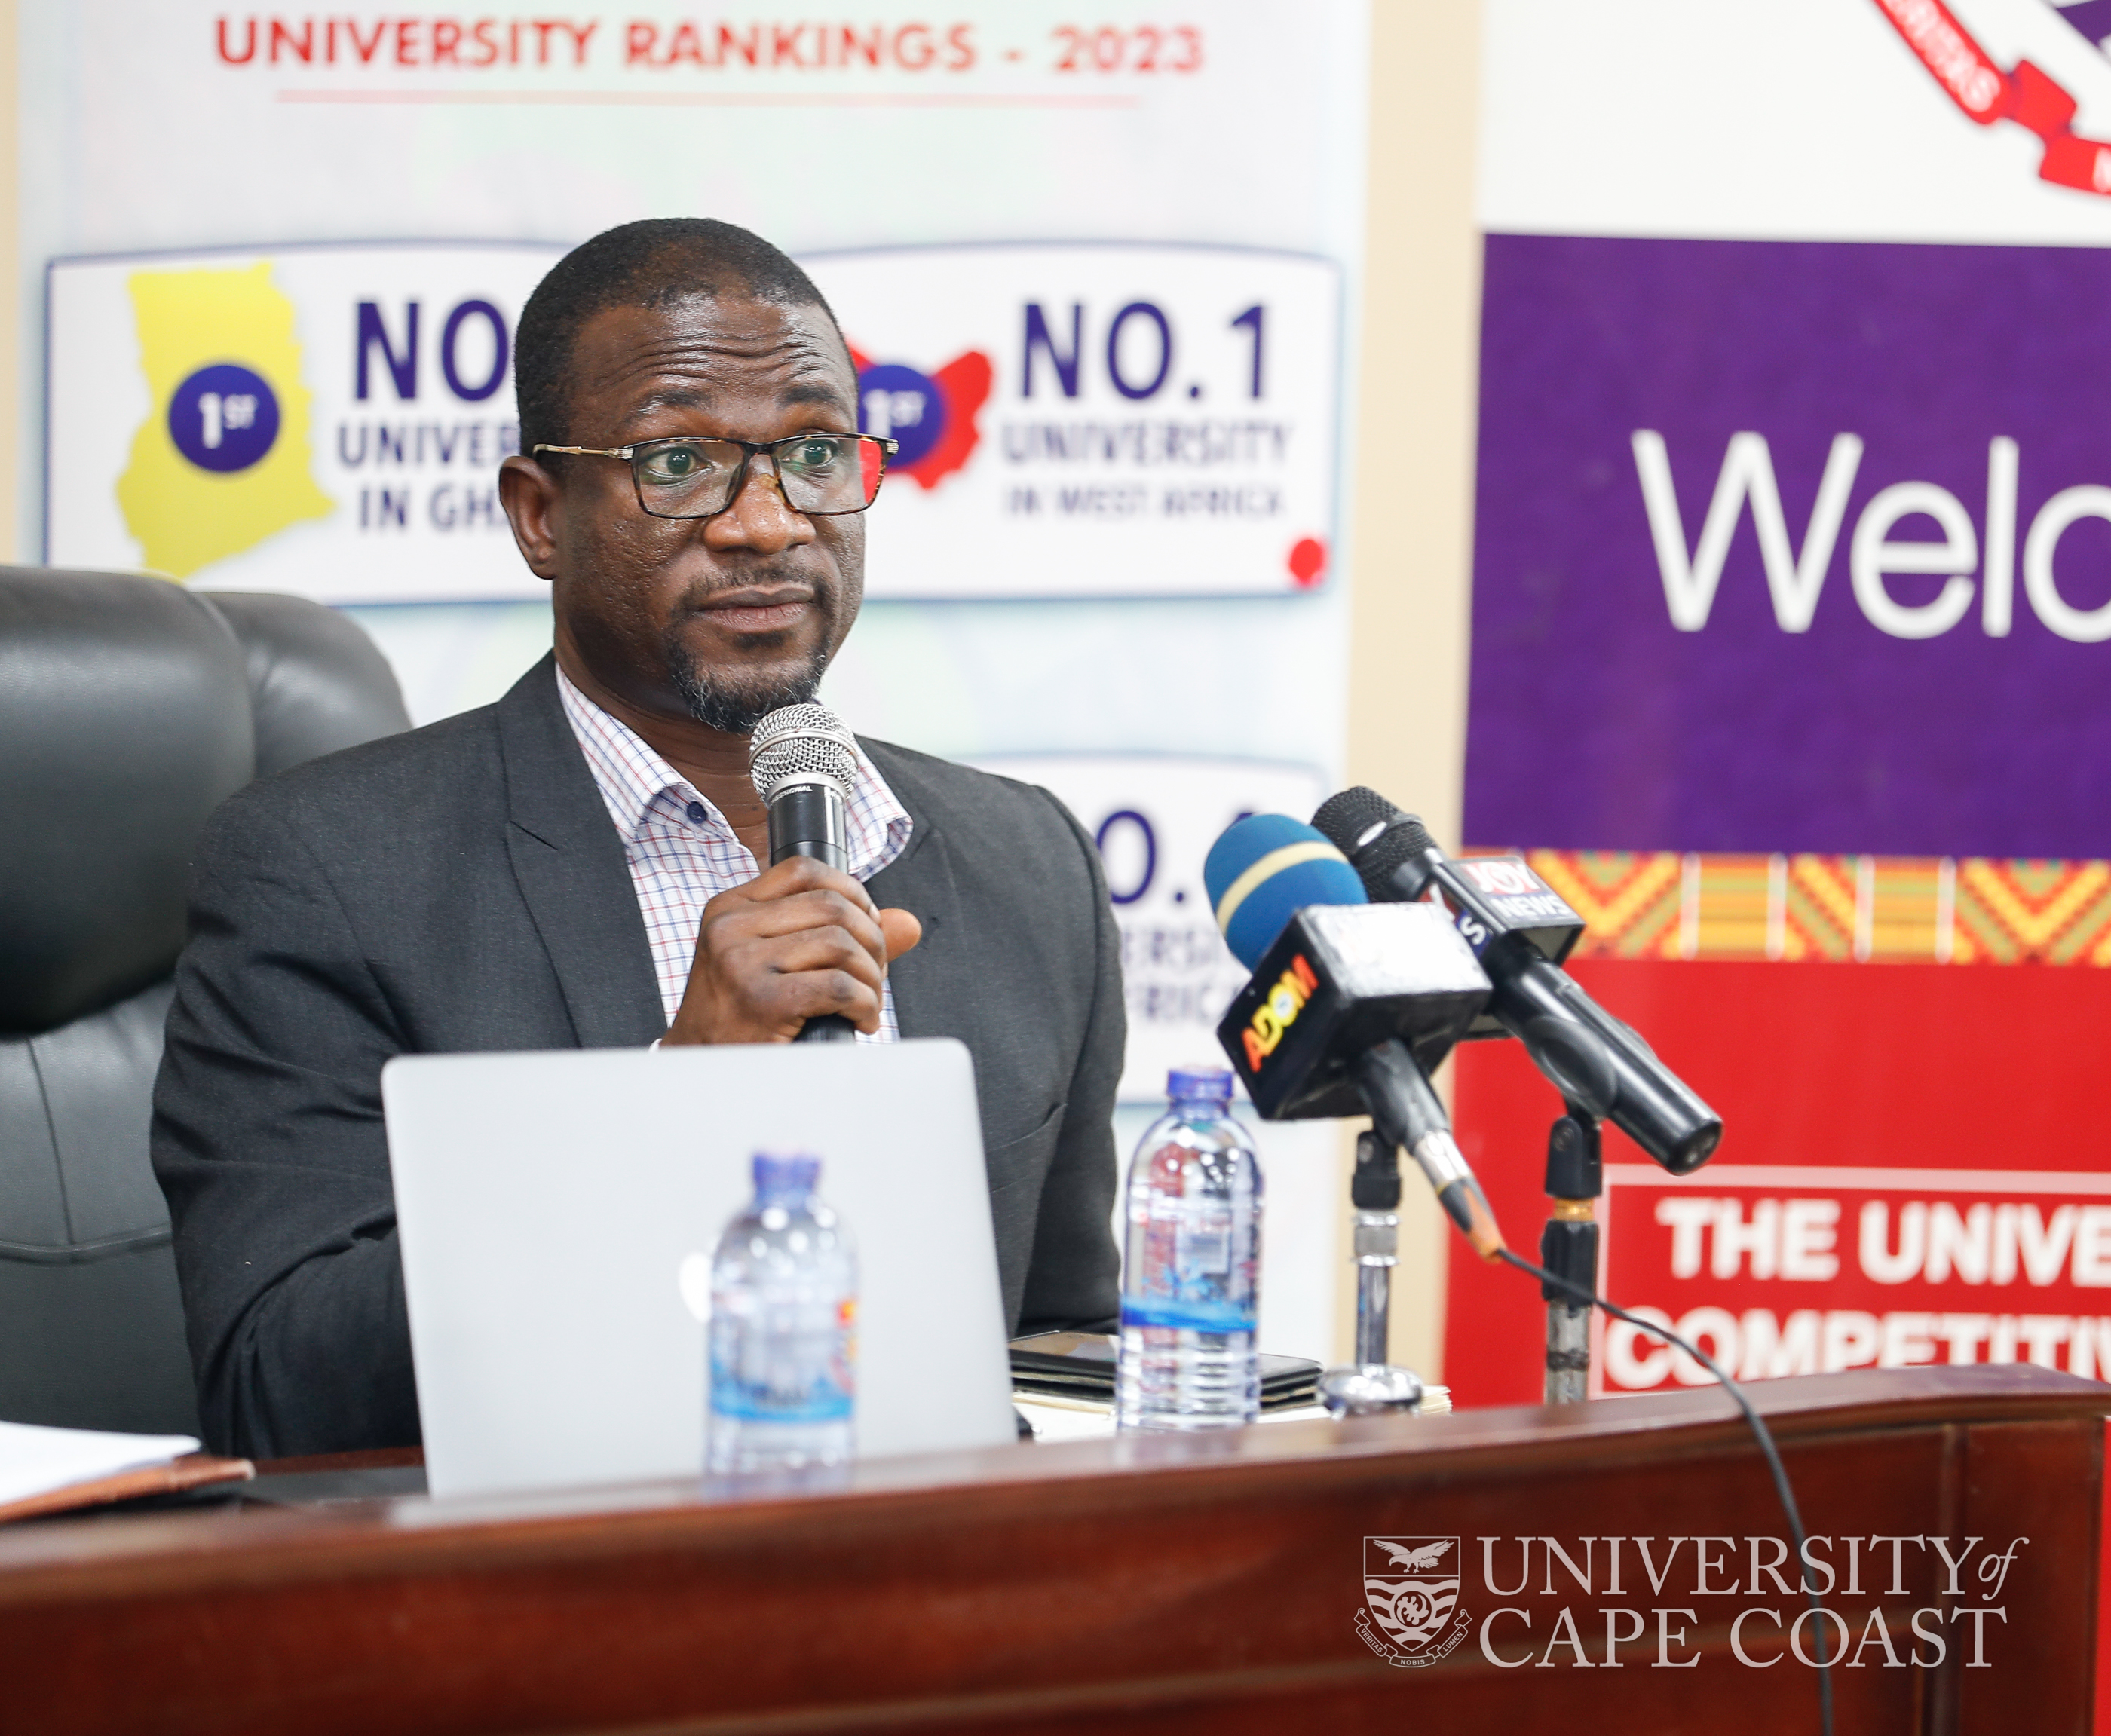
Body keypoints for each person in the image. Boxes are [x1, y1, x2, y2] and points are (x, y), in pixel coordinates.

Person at [151, 219, 1125, 1459]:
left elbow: (1060, 1345)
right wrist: (679, 1094)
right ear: (539, 515)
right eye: (678, 462)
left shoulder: (1028, 862)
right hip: (557, 1570)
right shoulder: (324, 873)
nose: (767, 523)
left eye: (815, 453)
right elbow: (275, 1392)